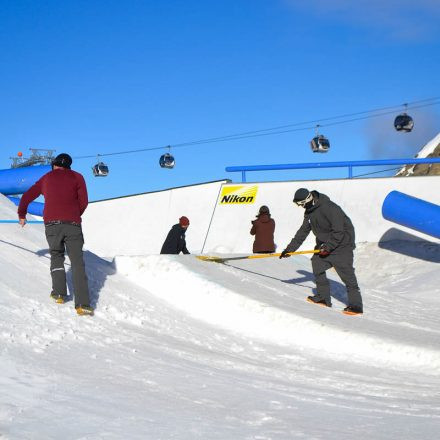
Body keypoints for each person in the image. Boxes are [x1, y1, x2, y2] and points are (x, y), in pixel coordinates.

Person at [18, 153, 93, 316]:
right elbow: (84, 201)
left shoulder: (46, 178)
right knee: (77, 262)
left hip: (52, 225)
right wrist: (73, 214)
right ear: (69, 166)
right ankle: (83, 304)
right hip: (73, 224)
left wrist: (22, 215)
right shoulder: (77, 177)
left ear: (54, 165)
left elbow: (26, 196)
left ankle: (59, 293)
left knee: (56, 255)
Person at [280, 188, 363, 315]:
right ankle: (323, 298)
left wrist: (328, 247)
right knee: (317, 264)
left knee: (347, 276)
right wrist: (289, 249)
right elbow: (302, 232)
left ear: (307, 200)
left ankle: (356, 306)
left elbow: (339, 231)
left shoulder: (330, 208)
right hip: (325, 245)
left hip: (342, 245)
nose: (300, 207)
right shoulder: (309, 212)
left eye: (301, 204)